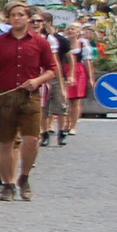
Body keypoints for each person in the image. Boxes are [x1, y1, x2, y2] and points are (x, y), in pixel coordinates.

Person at [0, 2, 57, 201]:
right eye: (13, 15)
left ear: (27, 18)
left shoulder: (40, 43)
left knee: (32, 139)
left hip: (29, 96)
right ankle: (8, 183)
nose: (17, 18)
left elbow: (52, 69)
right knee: (6, 141)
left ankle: (24, 177)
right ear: (8, 18)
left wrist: (37, 80)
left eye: (21, 15)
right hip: (4, 96)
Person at [37, 12, 70, 147]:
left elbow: (56, 61)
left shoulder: (51, 39)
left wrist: (62, 82)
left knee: (60, 104)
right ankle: (44, 133)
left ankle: (61, 132)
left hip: (53, 75)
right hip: (39, 76)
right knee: (43, 107)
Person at [64, 23, 92, 136]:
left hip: (79, 72)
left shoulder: (83, 44)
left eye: (73, 29)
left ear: (78, 32)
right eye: (69, 29)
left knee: (75, 101)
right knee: (64, 100)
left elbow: (87, 62)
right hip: (65, 71)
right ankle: (65, 123)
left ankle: (73, 126)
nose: (71, 31)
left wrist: (90, 78)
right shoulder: (63, 43)